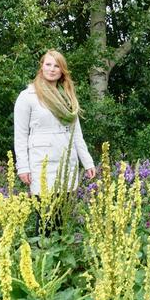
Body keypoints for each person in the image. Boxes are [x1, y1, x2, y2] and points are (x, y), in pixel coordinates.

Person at [14, 50, 96, 229]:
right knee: (45, 218)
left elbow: (76, 134)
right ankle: (41, 255)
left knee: (61, 218)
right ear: (41, 67)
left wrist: (88, 162)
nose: (52, 69)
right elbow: (20, 135)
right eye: (48, 64)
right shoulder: (27, 97)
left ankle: (57, 254)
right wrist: (23, 167)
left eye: (56, 65)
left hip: (66, 162)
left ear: (62, 70)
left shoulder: (67, 97)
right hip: (41, 164)